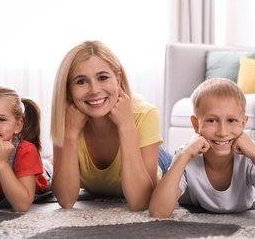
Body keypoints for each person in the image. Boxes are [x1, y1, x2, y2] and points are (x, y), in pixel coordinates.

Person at [50, 40, 172, 211]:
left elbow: (141, 202)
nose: (94, 90)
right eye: (81, 81)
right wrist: (71, 134)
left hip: (157, 164)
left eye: (103, 78)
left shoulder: (145, 114)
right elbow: (66, 200)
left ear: (118, 79)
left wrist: (127, 126)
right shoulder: (66, 120)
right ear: (68, 89)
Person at [149, 78, 255, 222]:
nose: (222, 132)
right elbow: (158, 212)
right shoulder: (186, 154)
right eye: (212, 120)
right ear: (196, 124)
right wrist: (184, 155)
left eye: (231, 120)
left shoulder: (250, 155)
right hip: (173, 165)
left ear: (243, 123)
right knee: (157, 160)